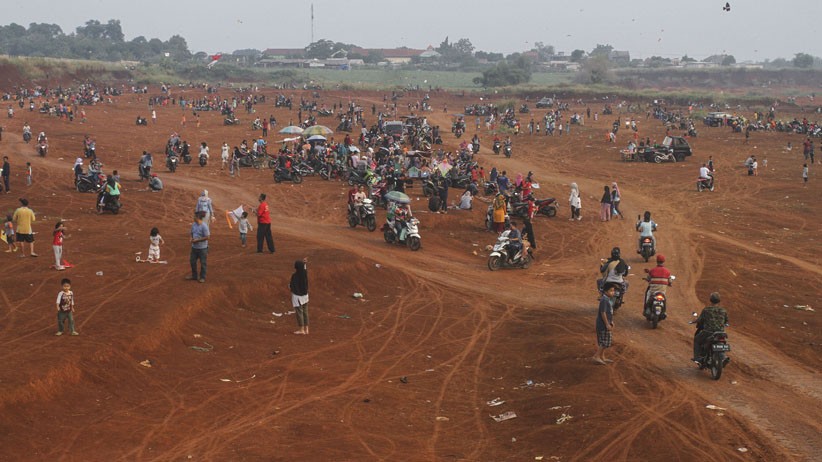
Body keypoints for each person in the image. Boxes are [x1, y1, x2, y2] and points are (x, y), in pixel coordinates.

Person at [693, 292, 729, 363]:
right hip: (721, 333)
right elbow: (726, 321)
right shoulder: (723, 310)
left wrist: (695, 321)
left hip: (708, 332)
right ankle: (723, 357)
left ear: (710, 300)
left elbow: (700, 320)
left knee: (697, 340)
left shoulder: (706, 310)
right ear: (719, 300)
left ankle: (697, 358)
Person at [593, 282, 617, 365]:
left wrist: (611, 322)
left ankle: (602, 356)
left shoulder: (607, 299)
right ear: (606, 291)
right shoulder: (604, 300)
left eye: (613, 290)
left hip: (605, 324)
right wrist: (607, 324)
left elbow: (608, 312)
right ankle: (596, 356)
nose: (613, 292)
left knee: (604, 341)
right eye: (611, 291)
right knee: (605, 342)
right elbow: (603, 313)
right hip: (603, 325)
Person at [187, 211, 210, 283]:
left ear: (197, 218)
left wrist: (197, 240)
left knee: (203, 263)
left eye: (194, 216)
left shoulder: (204, 226)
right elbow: (191, 232)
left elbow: (207, 237)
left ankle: (202, 277)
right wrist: (191, 238)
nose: (193, 217)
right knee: (192, 261)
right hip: (194, 247)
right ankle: (194, 276)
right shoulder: (194, 224)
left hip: (202, 248)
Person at [290, 258, 310, 335]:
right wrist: (304, 264)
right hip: (305, 296)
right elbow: (304, 269)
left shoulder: (294, 276)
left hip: (297, 297)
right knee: (305, 312)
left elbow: (292, 286)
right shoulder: (304, 273)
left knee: (299, 313)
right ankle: (306, 329)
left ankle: (301, 329)